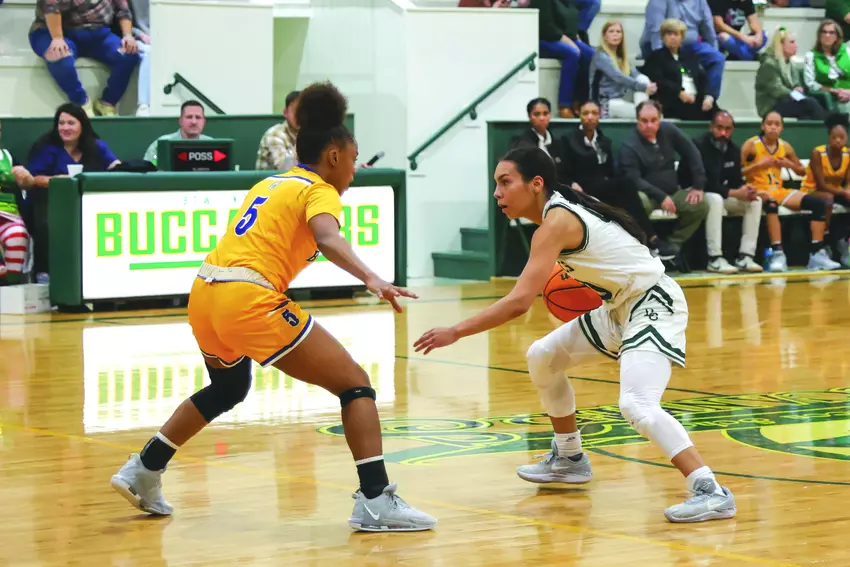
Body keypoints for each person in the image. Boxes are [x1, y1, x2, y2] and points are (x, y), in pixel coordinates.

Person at [109, 82, 436, 532]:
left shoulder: (271, 182)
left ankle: (144, 469)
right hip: (248, 297)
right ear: (334, 155)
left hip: (204, 292)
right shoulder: (320, 188)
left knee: (228, 387)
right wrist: (372, 278)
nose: (355, 171)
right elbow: (328, 237)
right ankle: (376, 500)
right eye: (354, 159)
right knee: (355, 385)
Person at [413, 146, 737, 524]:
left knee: (636, 404)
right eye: (496, 184)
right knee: (542, 356)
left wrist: (455, 331)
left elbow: (519, 303)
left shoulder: (556, 223)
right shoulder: (557, 213)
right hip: (617, 308)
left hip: (653, 302)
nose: (497, 193)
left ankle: (710, 490)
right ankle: (569, 458)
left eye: (505, 182)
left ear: (536, 184)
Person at [561, 101, 678, 260]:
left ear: (600, 116)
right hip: (581, 190)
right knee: (626, 185)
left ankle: (642, 244)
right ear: (579, 116)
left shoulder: (604, 141)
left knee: (626, 190)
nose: (590, 117)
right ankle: (651, 239)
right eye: (586, 113)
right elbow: (563, 173)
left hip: (603, 187)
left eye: (594, 113)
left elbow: (609, 171)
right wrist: (572, 184)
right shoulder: (568, 140)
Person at [24, 103, 121, 281]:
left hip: (86, 201)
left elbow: (116, 166)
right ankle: (44, 273)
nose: (65, 128)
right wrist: (58, 180)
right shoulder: (46, 146)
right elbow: (33, 179)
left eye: (71, 123)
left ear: (82, 125)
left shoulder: (96, 146)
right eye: (61, 123)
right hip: (49, 201)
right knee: (46, 220)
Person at [741, 111, 840, 271]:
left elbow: (801, 171)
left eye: (777, 124)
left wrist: (789, 164)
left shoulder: (784, 146)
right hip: (758, 190)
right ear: (763, 126)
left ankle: (817, 253)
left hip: (779, 190)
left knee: (818, 204)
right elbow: (738, 172)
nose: (773, 127)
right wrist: (758, 166)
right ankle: (777, 253)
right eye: (769, 123)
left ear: (782, 128)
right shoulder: (751, 144)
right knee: (771, 204)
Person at [618, 100, 710, 268]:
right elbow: (634, 180)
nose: (649, 125)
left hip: (673, 191)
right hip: (648, 194)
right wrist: (661, 197)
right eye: (644, 121)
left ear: (660, 119)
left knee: (700, 205)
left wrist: (698, 185)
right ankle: (646, 248)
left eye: (654, 120)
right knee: (639, 203)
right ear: (637, 121)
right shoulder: (629, 146)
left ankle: (672, 245)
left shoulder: (669, 130)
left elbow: (692, 152)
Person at [679, 110, 764, 273]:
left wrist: (746, 191)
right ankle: (714, 258)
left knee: (755, 202)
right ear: (711, 127)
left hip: (720, 193)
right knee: (716, 199)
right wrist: (733, 193)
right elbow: (703, 182)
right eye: (719, 128)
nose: (723, 133)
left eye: (727, 129)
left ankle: (745, 256)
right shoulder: (698, 145)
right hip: (693, 191)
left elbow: (735, 181)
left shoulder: (734, 150)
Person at [799, 113, 850, 266]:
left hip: (836, 191)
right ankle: (824, 243)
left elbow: (848, 182)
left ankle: (846, 242)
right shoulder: (817, 153)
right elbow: (821, 185)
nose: (838, 140)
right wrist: (844, 192)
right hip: (811, 191)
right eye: (834, 137)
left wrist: (848, 190)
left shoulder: (848, 154)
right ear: (829, 137)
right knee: (827, 198)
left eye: (841, 137)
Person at [642, 19, 716, 121]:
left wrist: (708, 96)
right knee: (693, 111)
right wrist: (679, 92)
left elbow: (702, 78)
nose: (672, 37)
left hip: (695, 99)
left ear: (682, 37)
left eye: (676, 34)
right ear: (663, 37)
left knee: (718, 113)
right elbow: (658, 80)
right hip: (672, 101)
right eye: (669, 34)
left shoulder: (690, 56)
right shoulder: (656, 57)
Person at [755, 27, 827, 120]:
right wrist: (794, 94)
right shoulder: (769, 64)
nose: (796, 46)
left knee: (808, 112)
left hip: (787, 100)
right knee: (809, 103)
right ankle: (827, 124)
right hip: (771, 105)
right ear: (781, 44)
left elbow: (796, 83)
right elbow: (777, 89)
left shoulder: (791, 63)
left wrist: (798, 88)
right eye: (792, 42)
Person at [589, 20, 656, 118]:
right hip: (604, 103)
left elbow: (635, 74)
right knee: (644, 115)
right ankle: (643, 113)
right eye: (611, 31)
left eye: (618, 32)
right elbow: (619, 77)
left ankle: (643, 112)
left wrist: (648, 84)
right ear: (604, 36)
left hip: (621, 99)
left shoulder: (621, 57)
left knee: (642, 79)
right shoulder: (601, 56)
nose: (615, 34)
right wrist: (643, 87)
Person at [143, 100, 212, 164]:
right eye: (189, 117)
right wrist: (156, 164)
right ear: (180, 121)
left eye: (198, 117)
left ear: (204, 122)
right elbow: (151, 166)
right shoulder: (162, 145)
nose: (194, 122)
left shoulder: (212, 145)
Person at [256, 90, 301, 170]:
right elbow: (286, 169)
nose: (300, 117)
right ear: (285, 113)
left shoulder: (311, 132)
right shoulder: (274, 134)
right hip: (271, 178)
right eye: (296, 112)